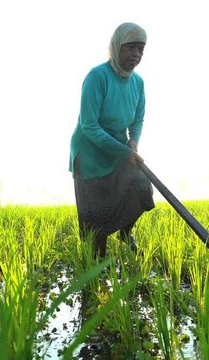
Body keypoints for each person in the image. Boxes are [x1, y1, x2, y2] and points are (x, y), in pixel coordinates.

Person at [69, 22, 154, 258]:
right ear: (117, 47)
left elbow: (137, 119)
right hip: (90, 153)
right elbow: (89, 126)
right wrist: (124, 152)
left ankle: (125, 232)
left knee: (140, 187)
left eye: (141, 50)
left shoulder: (138, 83)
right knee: (94, 219)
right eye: (131, 48)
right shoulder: (97, 77)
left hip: (117, 150)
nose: (136, 55)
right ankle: (94, 271)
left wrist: (133, 142)